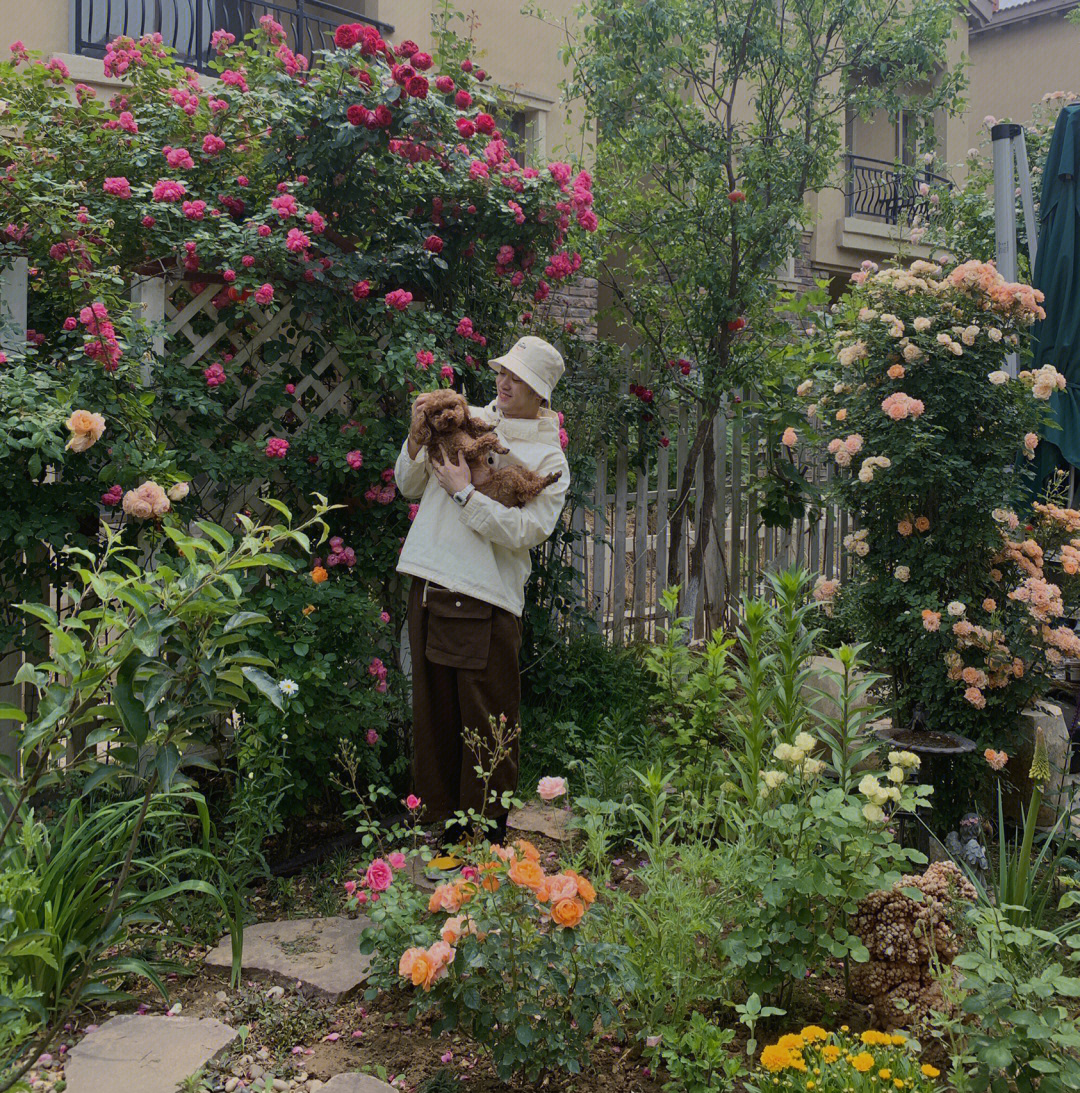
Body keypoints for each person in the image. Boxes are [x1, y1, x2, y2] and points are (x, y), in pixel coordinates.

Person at [394, 335, 570, 849]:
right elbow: (407, 484)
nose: (504, 382)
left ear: (541, 393)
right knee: (436, 717)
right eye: (503, 372)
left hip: (484, 597)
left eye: (518, 378)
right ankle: (449, 836)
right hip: (429, 579)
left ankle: (484, 844)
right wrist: (414, 440)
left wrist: (464, 492)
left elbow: (524, 532)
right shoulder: (464, 418)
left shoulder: (547, 459)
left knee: (485, 721)